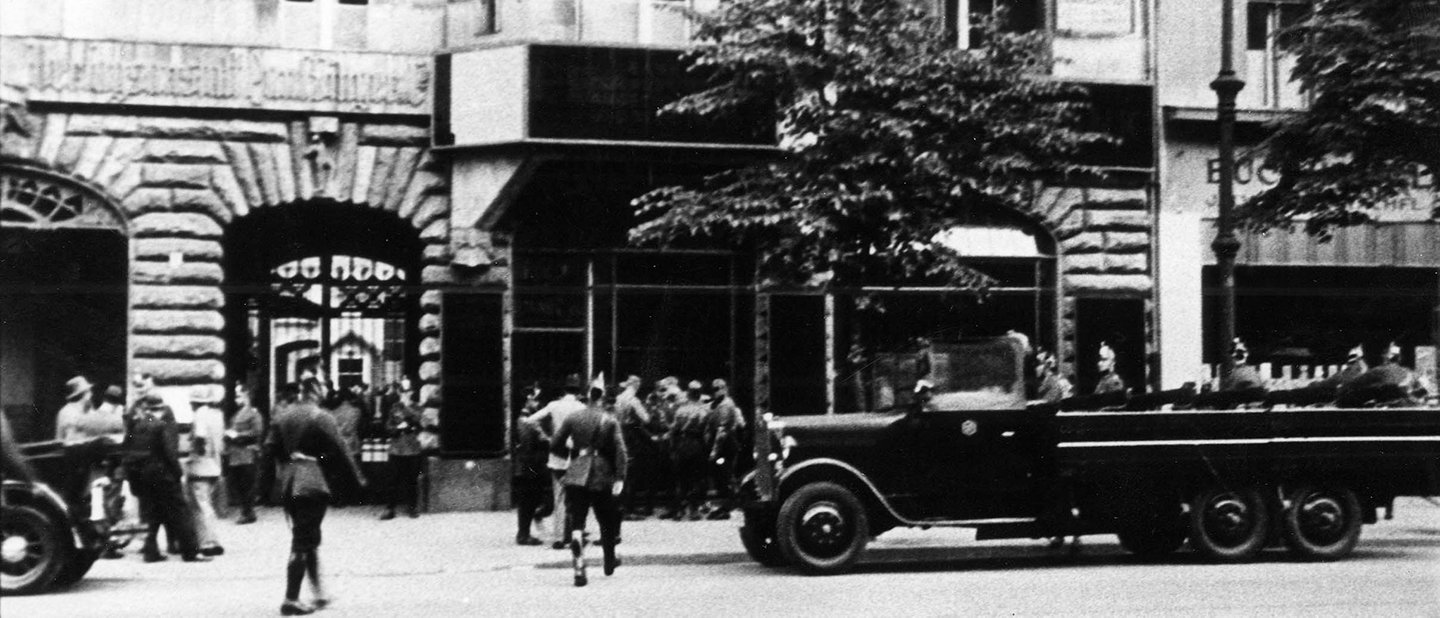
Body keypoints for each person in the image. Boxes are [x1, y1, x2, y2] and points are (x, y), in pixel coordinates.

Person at [267, 378, 365, 616]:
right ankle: (291, 599)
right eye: (321, 387)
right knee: (303, 540)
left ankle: (318, 593)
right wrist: (358, 480)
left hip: (290, 483)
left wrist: (289, 462)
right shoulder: (322, 417)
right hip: (312, 483)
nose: (325, 391)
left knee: (306, 536)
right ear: (314, 391)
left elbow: (270, 448)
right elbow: (341, 450)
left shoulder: (283, 416)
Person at [551, 378, 628, 586]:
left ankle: (578, 561)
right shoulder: (609, 419)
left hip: (577, 472)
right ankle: (609, 560)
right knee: (607, 519)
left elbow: (555, 443)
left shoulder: (574, 417)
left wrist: (571, 457)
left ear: (586, 395)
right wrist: (620, 476)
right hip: (601, 475)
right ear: (602, 397)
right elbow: (621, 451)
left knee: (577, 519)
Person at [123, 379, 205, 563]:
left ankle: (150, 552)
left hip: (143, 475)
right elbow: (169, 454)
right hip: (163, 475)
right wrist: (178, 474)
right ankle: (190, 551)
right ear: (159, 408)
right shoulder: (159, 426)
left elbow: (126, 448)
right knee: (180, 511)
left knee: (150, 514)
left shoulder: (135, 426)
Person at [531, 374, 588, 548]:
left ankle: (558, 537)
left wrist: (546, 436)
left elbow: (531, 420)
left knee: (559, 497)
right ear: (578, 391)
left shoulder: (554, 405)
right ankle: (572, 536)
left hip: (556, 455)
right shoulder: (582, 407)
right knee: (576, 498)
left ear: (564, 390)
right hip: (576, 456)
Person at [185, 393, 226, 557]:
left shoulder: (199, 415)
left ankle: (207, 542)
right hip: (215, 465)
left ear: (194, 403)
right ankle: (212, 540)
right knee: (207, 504)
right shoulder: (217, 416)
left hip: (201, 466)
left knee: (200, 506)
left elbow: (200, 437)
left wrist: (196, 453)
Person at [667, 381, 714, 521]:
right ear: (699, 394)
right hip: (697, 444)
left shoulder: (680, 410)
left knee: (681, 479)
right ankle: (693, 511)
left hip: (682, 444)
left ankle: (678, 511)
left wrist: (673, 448)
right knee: (696, 478)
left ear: (687, 393)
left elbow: (673, 430)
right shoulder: (704, 410)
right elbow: (708, 431)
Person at [613, 375, 658, 519]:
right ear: (636, 385)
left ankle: (620, 505)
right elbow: (646, 419)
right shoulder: (633, 400)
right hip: (632, 436)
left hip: (619, 434)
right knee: (633, 472)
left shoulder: (618, 399)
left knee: (621, 470)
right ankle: (629, 508)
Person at [513, 388, 552, 546]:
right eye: (535, 399)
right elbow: (530, 443)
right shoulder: (525, 419)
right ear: (528, 400)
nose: (538, 403)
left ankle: (524, 533)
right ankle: (523, 535)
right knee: (527, 501)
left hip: (531, 465)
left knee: (530, 500)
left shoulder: (529, 419)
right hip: (529, 466)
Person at [381, 378, 424, 520]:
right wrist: (397, 429)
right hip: (396, 448)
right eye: (402, 391)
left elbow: (419, 420)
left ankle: (412, 507)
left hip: (412, 448)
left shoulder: (416, 407)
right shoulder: (394, 408)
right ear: (399, 392)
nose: (405, 393)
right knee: (392, 480)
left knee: (412, 479)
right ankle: (390, 508)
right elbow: (387, 426)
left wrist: (407, 406)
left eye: (407, 391)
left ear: (411, 392)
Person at [706, 379, 746, 520]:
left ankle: (727, 508)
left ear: (725, 388)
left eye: (719, 388)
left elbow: (722, 431)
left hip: (725, 446)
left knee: (725, 476)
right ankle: (725, 506)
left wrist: (714, 451)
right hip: (726, 444)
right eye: (714, 388)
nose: (716, 391)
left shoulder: (726, 405)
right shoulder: (717, 405)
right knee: (722, 476)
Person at [227, 385, 264, 525]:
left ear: (246, 396)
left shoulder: (254, 413)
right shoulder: (236, 414)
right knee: (238, 485)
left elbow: (257, 432)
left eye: (238, 396)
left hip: (248, 453)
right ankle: (246, 510)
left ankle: (248, 512)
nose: (236, 399)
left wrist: (238, 435)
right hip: (235, 454)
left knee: (247, 484)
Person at [55, 375, 96, 443]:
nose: (91, 394)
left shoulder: (90, 411)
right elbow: (61, 439)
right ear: (84, 394)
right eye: (89, 391)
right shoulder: (67, 412)